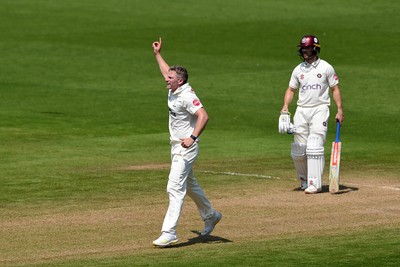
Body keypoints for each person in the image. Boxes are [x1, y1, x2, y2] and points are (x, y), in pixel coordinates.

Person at [151, 37, 222, 247]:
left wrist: (193, 137)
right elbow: (165, 71)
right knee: (189, 185)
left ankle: (169, 232)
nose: (166, 79)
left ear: (179, 81)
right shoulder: (174, 88)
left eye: (170, 78)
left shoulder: (187, 95)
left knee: (174, 187)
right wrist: (157, 54)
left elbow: (203, 115)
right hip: (175, 146)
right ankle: (211, 215)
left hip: (186, 148)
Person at [279, 35, 344, 194]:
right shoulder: (298, 69)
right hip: (302, 110)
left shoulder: (326, 67)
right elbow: (291, 90)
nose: (304, 51)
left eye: (307, 48)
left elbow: (335, 89)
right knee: (299, 149)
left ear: (315, 48)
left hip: (320, 109)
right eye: (302, 49)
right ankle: (304, 180)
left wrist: (340, 109)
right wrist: (285, 107)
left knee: (314, 146)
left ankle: (315, 184)